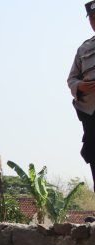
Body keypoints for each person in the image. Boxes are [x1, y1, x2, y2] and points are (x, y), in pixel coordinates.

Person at [69, 1, 95, 191]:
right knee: (93, 154)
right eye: (92, 18)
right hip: (90, 113)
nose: (94, 21)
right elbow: (71, 79)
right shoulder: (84, 49)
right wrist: (80, 87)